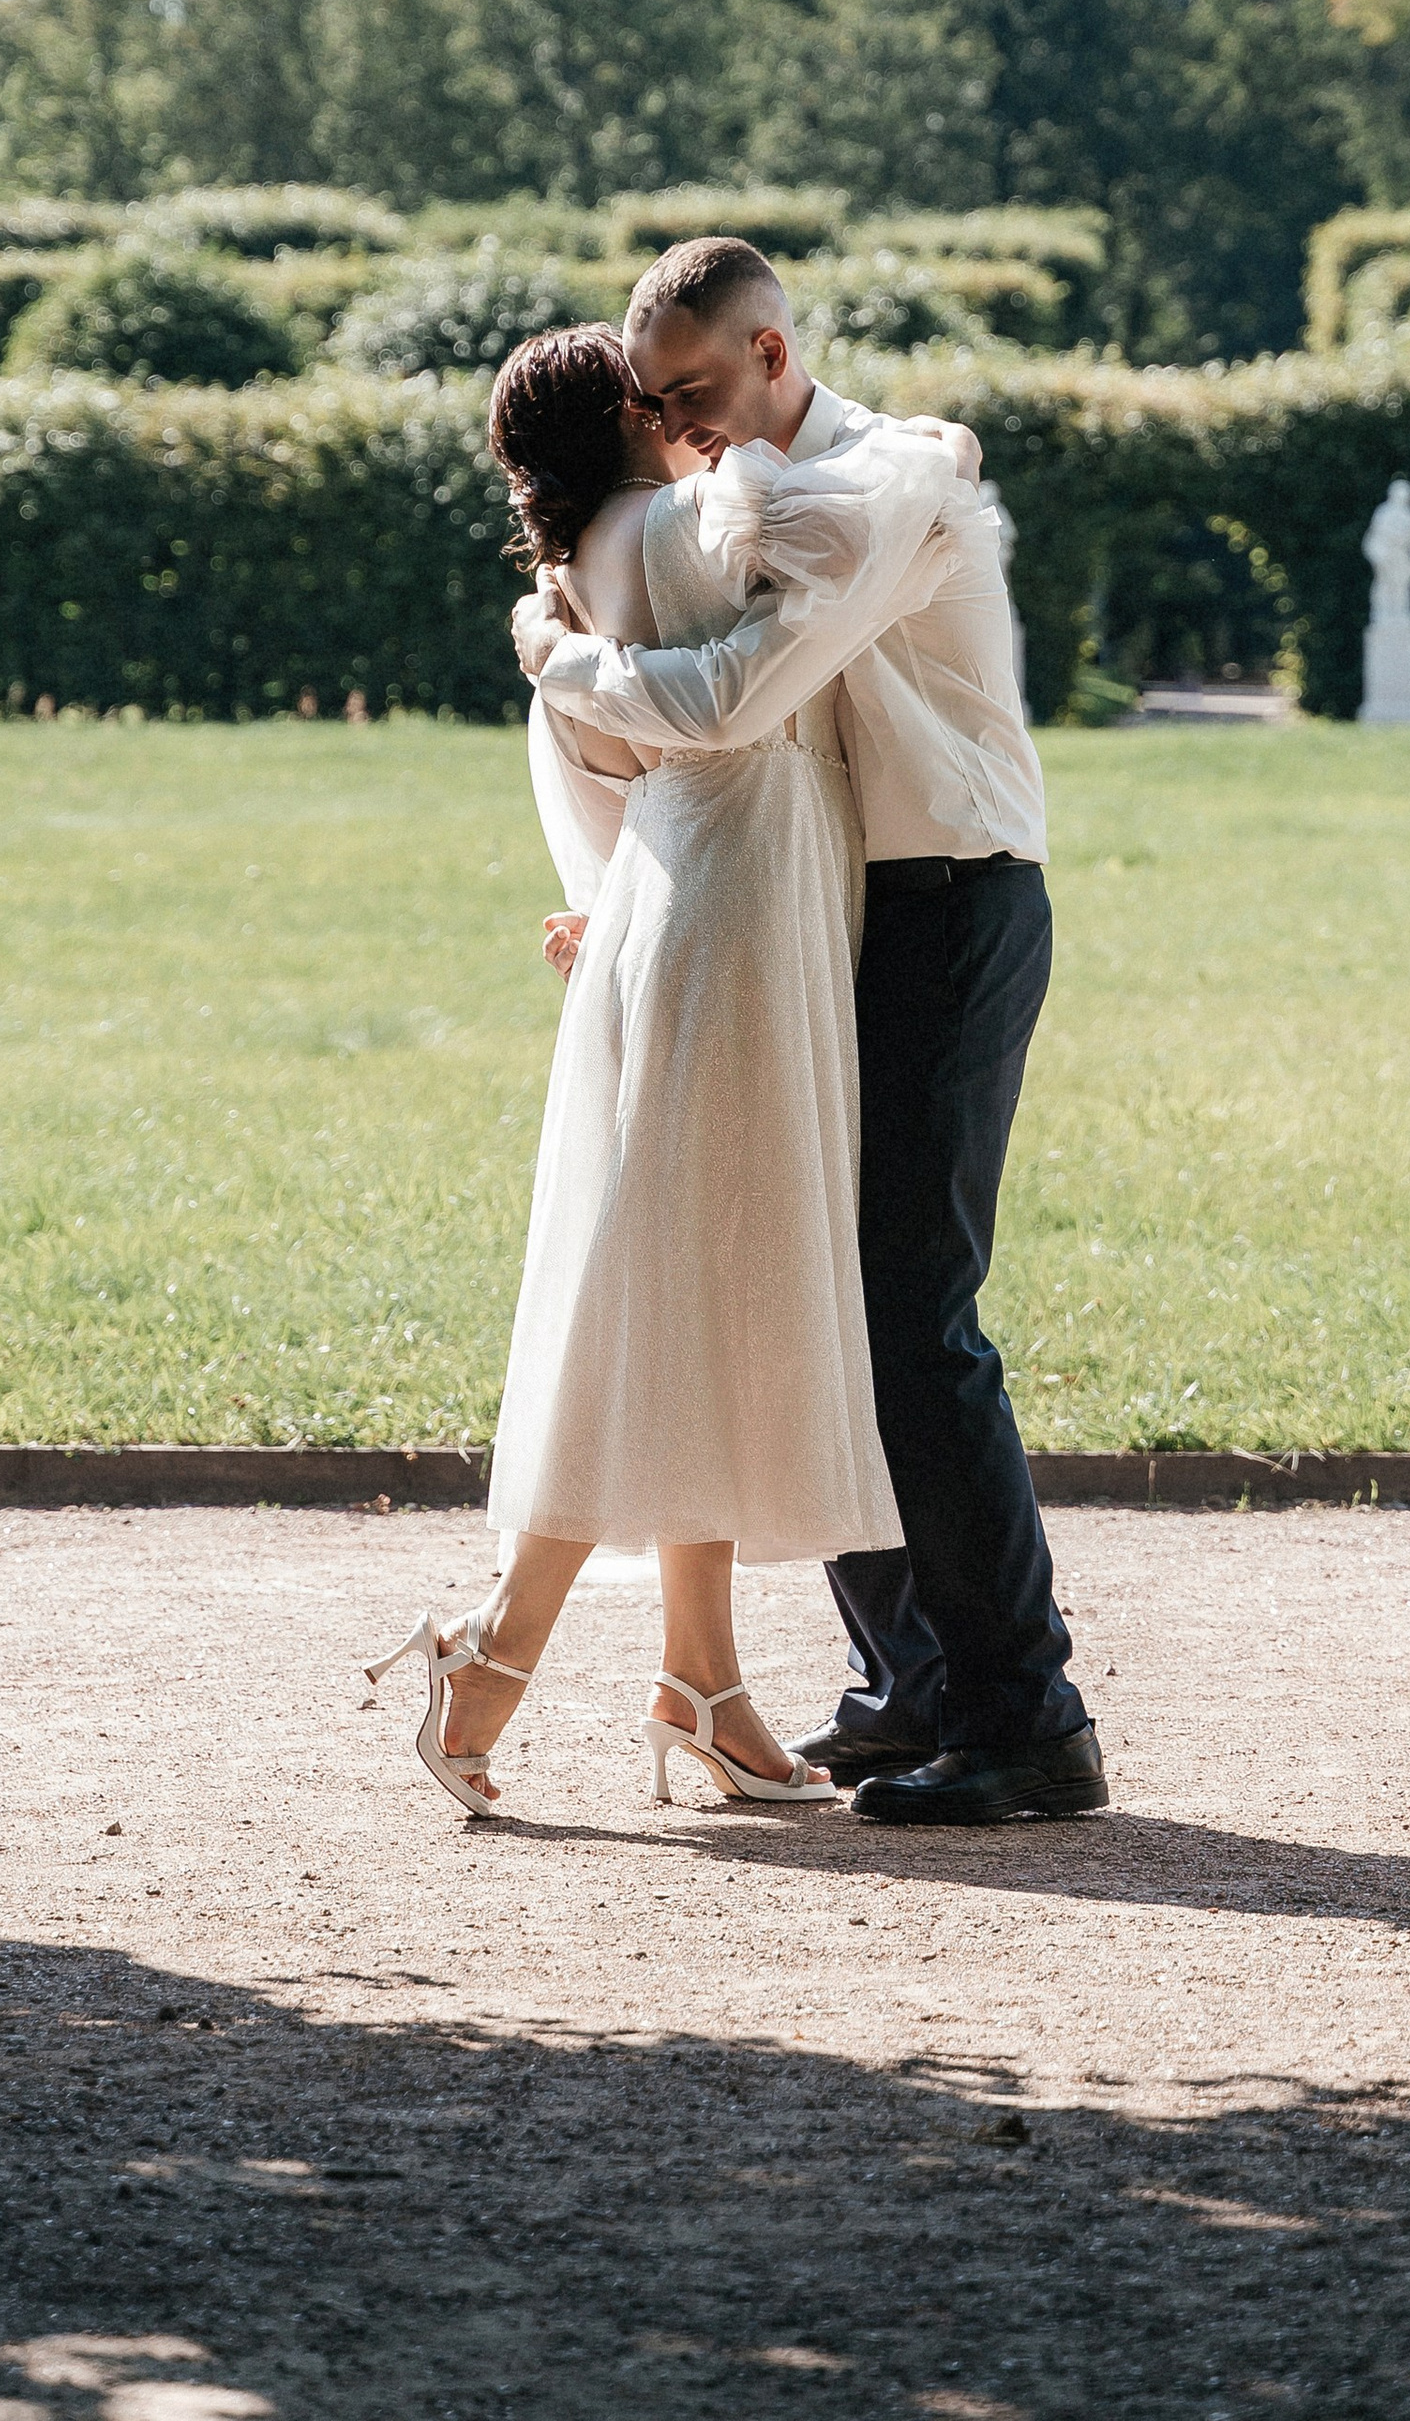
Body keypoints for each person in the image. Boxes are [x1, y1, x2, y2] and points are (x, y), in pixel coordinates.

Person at [516, 237, 1106, 1829]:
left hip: (951, 903)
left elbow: (724, 705)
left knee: (912, 1311)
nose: (680, 426)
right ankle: (919, 1682)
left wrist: (555, 645)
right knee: (814, 1285)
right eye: (655, 404)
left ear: (774, 354)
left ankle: (1022, 1713)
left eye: (698, 391)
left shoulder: (883, 485)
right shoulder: (743, 506)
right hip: (840, 913)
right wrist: (627, 893)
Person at [367, 318, 954, 1818]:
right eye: (655, 393)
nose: (679, 407)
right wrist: (917, 447)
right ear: (624, 418)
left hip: (698, 912)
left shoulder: (585, 568)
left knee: (694, 1291)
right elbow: (867, 491)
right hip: (731, 933)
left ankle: (704, 1679)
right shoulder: (677, 524)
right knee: (672, 1287)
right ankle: (494, 1651)